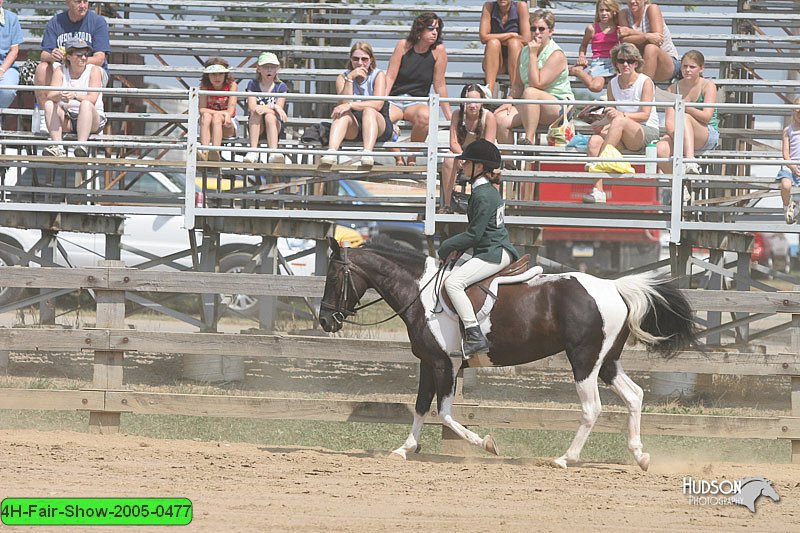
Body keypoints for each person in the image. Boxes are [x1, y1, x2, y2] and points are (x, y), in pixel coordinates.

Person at [438, 139, 520, 359]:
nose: (462, 165)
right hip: (489, 248)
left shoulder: (483, 195)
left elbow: (474, 234)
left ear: (479, 167)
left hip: (493, 253)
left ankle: (474, 335)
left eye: (467, 162)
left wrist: (447, 245)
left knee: (453, 283)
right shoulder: (483, 191)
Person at [584, 43, 659, 204]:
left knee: (618, 121)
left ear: (636, 63)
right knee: (594, 141)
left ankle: (598, 163)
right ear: (616, 63)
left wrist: (620, 115)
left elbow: (645, 114)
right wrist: (599, 120)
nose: (625, 64)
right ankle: (598, 191)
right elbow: (612, 113)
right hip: (622, 131)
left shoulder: (645, 82)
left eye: (630, 61)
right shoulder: (612, 83)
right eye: (621, 61)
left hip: (646, 131)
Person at [494, 9, 574, 147]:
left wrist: (533, 54)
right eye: (533, 28)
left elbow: (537, 84)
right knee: (500, 118)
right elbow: (518, 85)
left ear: (551, 31)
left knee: (530, 92)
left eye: (541, 29)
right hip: (530, 103)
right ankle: (509, 164)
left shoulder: (556, 54)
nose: (537, 32)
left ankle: (528, 140)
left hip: (558, 106)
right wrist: (508, 101)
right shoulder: (524, 52)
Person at [385, 11, 452, 164]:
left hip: (417, 101)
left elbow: (439, 84)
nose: (435, 32)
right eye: (431, 28)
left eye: (437, 29)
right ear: (420, 30)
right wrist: (380, 101)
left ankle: (412, 155)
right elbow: (390, 77)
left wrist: (449, 116)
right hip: (394, 99)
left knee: (426, 117)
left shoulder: (439, 51)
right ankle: (398, 158)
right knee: (380, 119)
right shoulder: (403, 46)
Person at [35, 0, 110, 132]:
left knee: (96, 69)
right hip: (65, 68)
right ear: (68, 2)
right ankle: (45, 117)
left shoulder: (98, 22)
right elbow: (44, 54)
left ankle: (94, 117)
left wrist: (75, 60)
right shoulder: (55, 21)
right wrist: (53, 55)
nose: (83, 5)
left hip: (89, 69)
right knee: (42, 68)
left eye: (85, 1)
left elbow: (100, 59)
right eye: (77, 2)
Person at [318, 42, 392, 171]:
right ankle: (331, 152)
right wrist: (350, 79)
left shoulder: (378, 75)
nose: (360, 63)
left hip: (377, 123)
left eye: (364, 59)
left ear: (371, 60)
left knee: (369, 111)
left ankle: (367, 153)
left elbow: (378, 104)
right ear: (351, 60)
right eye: (356, 59)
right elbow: (343, 103)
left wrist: (351, 105)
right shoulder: (343, 77)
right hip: (354, 126)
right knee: (341, 113)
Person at [655, 50, 719, 175]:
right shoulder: (673, 88)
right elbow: (669, 123)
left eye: (692, 67)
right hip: (680, 133)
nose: (687, 70)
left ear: (701, 69)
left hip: (706, 132)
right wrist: (680, 136)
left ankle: (690, 160)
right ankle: (678, 187)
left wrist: (684, 107)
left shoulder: (708, 85)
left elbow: (706, 117)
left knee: (684, 117)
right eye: (684, 66)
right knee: (660, 148)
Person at [42, 36, 105, 158]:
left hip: (93, 120)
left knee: (86, 104)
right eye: (79, 54)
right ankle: (57, 146)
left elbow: (92, 99)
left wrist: (75, 96)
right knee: (49, 104)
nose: (84, 58)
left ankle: (81, 146)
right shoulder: (60, 70)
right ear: (68, 57)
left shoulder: (94, 70)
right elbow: (50, 95)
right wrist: (60, 95)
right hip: (69, 118)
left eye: (86, 54)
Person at [440, 84, 497, 213]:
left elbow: (488, 146)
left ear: (482, 102)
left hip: (482, 155)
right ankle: (447, 204)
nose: (473, 105)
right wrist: (462, 156)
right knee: (448, 159)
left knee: (491, 167)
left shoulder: (489, 117)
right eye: (469, 101)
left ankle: (490, 207)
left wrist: (469, 159)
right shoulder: (457, 115)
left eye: (477, 101)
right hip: (462, 152)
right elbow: (453, 142)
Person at [243, 52, 289, 164]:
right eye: (265, 67)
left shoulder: (281, 87)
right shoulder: (253, 84)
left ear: (277, 69)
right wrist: (272, 106)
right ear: (259, 69)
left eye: (272, 67)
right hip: (257, 126)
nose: (269, 70)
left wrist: (270, 108)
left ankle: (273, 152)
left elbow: (279, 110)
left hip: (274, 125)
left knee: (270, 116)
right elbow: (252, 106)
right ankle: (253, 150)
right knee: (255, 113)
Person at [478, 0, 531, 97]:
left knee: (514, 43)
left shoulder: (520, 6)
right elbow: (483, 37)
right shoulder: (489, 6)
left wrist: (500, 38)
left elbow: (526, 38)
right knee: (493, 43)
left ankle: (515, 91)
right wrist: (510, 35)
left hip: (516, 60)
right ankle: (489, 90)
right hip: (496, 62)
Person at [618, 0, 679, 83]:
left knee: (651, 48)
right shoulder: (624, 14)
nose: (632, 1)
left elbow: (658, 40)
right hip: (642, 62)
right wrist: (646, 36)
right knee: (629, 46)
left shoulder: (652, 9)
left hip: (666, 62)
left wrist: (631, 32)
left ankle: (644, 88)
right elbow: (623, 40)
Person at [569, 0, 621, 97]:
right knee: (596, 87)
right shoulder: (592, 28)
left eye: (607, 10)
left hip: (616, 63)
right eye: (601, 10)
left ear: (614, 11)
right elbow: (583, 45)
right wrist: (582, 56)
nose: (604, 13)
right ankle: (577, 71)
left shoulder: (619, 28)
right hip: (599, 62)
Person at [198, 57, 238, 162]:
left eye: (220, 73)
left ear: (225, 75)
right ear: (208, 76)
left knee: (216, 117)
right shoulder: (204, 86)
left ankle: (215, 153)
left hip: (227, 123)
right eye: (213, 74)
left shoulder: (231, 85)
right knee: (206, 116)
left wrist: (220, 114)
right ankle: (205, 152)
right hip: (209, 123)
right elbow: (201, 109)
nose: (217, 77)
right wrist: (219, 113)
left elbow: (230, 111)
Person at [777, 98, 800, 224]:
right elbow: (785, 153)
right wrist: (792, 167)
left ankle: (795, 208)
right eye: (798, 112)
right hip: (790, 165)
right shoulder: (788, 130)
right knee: (786, 185)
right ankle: (787, 207)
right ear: (793, 111)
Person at [0, 0, 24, 108]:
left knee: (7, 90)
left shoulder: (11, 18)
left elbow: (14, 51)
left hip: (7, 67)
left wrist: (1, 70)